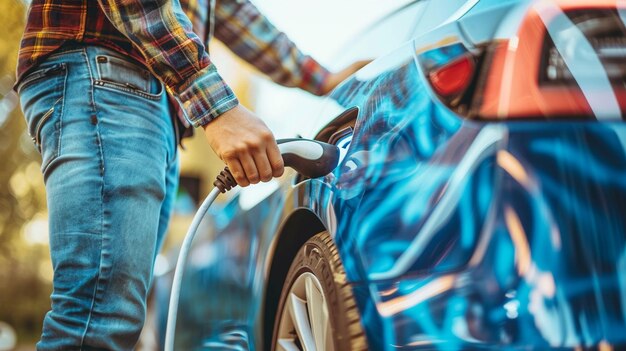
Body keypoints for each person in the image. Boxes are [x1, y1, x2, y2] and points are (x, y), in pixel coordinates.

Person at [15, 0, 367, 349]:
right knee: (97, 321)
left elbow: (232, 12)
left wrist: (322, 80)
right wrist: (216, 108)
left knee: (110, 317)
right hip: (105, 72)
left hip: (146, 100)